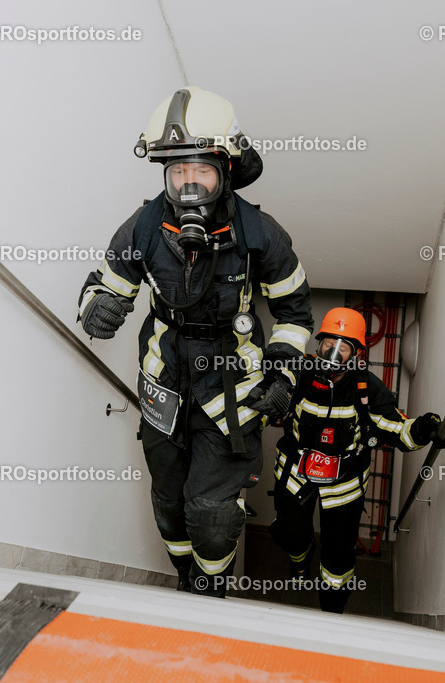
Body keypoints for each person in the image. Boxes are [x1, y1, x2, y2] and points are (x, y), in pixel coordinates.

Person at [76, 86, 314, 597]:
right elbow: (103, 284)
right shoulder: (142, 227)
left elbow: (294, 312)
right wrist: (97, 307)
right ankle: (186, 574)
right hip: (164, 382)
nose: (187, 185)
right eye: (176, 172)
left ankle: (210, 586)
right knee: (168, 500)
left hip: (232, 390)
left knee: (210, 512)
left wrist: (283, 374)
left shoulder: (261, 235)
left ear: (224, 169)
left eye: (200, 171)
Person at [269, 307, 445, 613]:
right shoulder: (299, 373)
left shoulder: (366, 387)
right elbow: (271, 405)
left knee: (338, 557)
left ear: (356, 353)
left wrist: (426, 429)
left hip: (344, 484)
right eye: (330, 342)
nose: (334, 352)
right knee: (290, 534)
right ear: (319, 344)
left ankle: (332, 611)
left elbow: (397, 428)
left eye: (344, 347)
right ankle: (299, 562)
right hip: (295, 473)